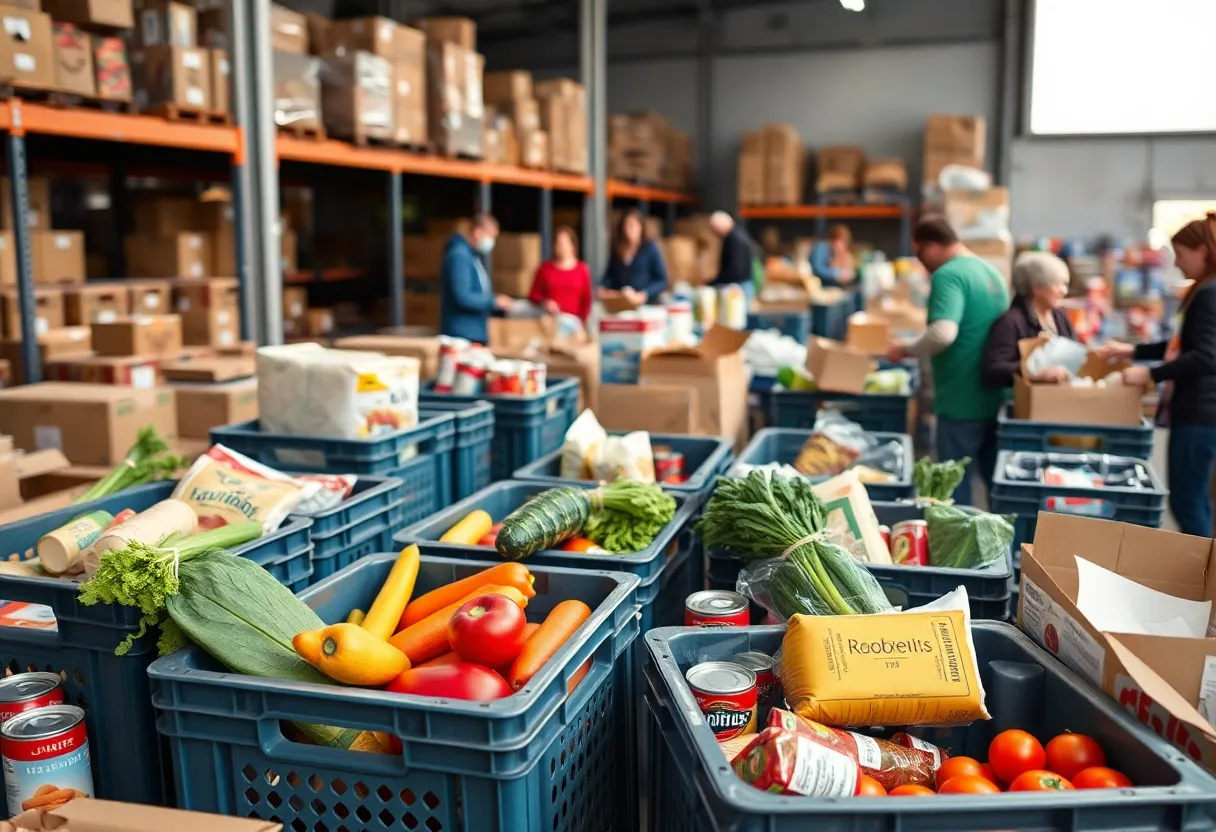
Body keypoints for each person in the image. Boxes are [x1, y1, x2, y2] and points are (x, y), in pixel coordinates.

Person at [1098, 213, 1216, 537]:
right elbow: (1182, 344)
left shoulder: (1208, 294)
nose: (1177, 264)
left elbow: (1205, 357)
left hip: (1199, 414)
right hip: (1198, 413)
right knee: (1196, 500)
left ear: (1202, 251)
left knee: (1187, 501)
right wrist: (1132, 351)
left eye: (1180, 254)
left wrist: (1151, 375)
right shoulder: (1203, 290)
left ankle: (1205, 579)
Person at [888, 216, 1010, 505]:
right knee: (994, 485)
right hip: (994, 397)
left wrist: (906, 348)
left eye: (919, 253)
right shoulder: (989, 271)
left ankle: (962, 550)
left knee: (955, 490)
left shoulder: (948, 275)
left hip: (960, 399)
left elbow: (943, 333)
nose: (921, 262)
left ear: (931, 247)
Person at [981, 251, 1077, 389]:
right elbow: (993, 370)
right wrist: (1032, 372)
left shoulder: (1060, 317)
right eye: (1057, 284)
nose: (1064, 291)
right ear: (1036, 288)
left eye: (1065, 284)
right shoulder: (1010, 322)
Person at [439, 213, 512, 343]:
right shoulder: (460, 256)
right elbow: (462, 296)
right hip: (462, 334)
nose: (491, 242)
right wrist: (493, 302)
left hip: (473, 332)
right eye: (490, 237)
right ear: (478, 232)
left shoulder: (472, 256)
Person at [601, 208, 668, 305]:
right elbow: (608, 277)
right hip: (622, 304)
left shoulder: (649, 248)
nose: (631, 230)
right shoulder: (617, 250)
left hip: (646, 304)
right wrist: (604, 289)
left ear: (641, 227)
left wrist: (644, 294)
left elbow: (661, 281)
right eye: (628, 226)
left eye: (634, 225)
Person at [528, 225, 592, 321]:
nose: (561, 248)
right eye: (558, 244)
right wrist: (545, 303)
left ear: (572, 246)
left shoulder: (582, 269)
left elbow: (586, 300)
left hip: (573, 322)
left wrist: (581, 322)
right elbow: (533, 295)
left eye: (565, 244)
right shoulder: (545, 269)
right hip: (550, 319)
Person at [708, 211, 760, 300]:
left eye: (714, 229)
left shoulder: (734, 240)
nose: (714, 234)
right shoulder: (738, 235)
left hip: (738, 287)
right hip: (743, 283)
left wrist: (716, 282)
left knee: (736, 313)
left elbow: (735, 268)